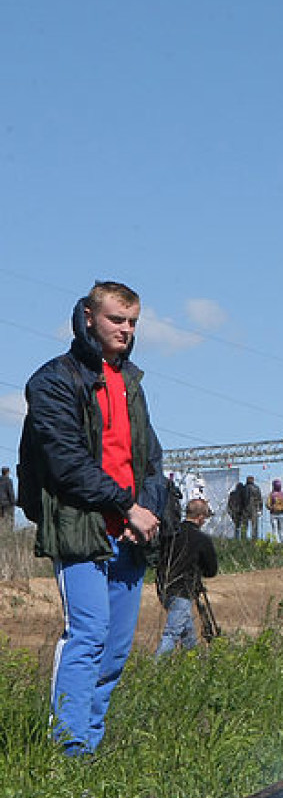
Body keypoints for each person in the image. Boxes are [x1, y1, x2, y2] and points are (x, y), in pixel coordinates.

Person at [18, 281, 168, 755]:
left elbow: (151, 460)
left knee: (116, 651)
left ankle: (91, 752)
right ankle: (68, 754)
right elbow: (67, 463)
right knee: (86, 636)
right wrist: (126, 506)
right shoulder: (53, 381)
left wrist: (147, 507)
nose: (125, 330)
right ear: (88, 317)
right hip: (80, 527)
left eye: (132, 323)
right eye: (116, 320)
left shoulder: (131, 384)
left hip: (130, 534)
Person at [155, 498, 219, 657]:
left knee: (187, 631)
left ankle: (192, 662)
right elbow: (211, 570)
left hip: (163, 587)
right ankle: (155, 668)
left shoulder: (171, 533)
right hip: (183, 590)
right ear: (201, 517)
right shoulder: (202, 539)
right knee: (172, 632)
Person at [266, 478, 283, 542]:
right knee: (281, 529)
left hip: (273, 514)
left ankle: (276, 542)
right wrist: (282, 508)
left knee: (274, 529)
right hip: (281, 513)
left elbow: (267, 504)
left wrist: (272, 508)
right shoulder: (282, 495)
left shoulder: (271, 495)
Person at [243, 476, 263, 540]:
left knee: (244, 525)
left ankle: (243, 538)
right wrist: (260, 509)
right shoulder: (257, 488)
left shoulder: (243, 488)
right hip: (254, 508)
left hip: (245, 508)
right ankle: (254, 539)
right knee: (254, 525)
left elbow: (241, 499)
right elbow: (260, 499)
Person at [0, 466, 15, 531]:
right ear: (8, 472)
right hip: (7, 503)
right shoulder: (8, 481)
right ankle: (9, 532)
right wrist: (13, 502)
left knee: (1, 519)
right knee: (9, 520)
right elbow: (10, 492)